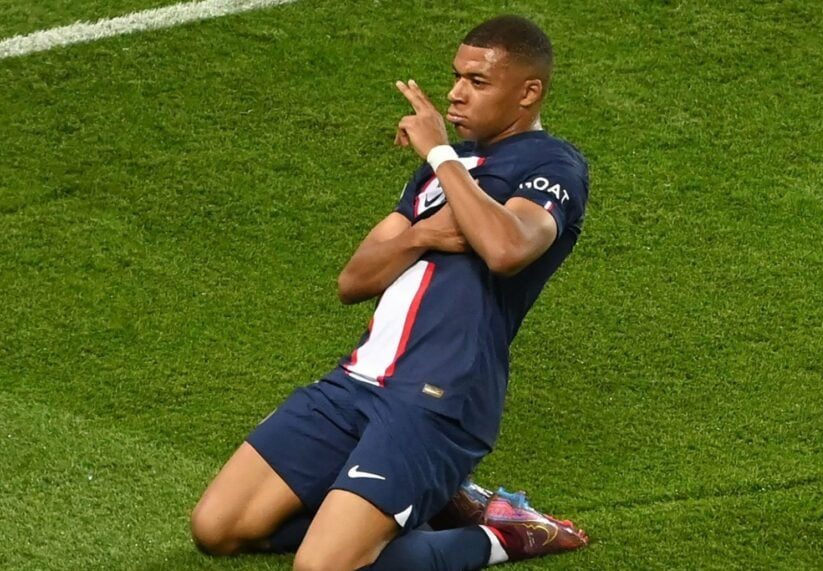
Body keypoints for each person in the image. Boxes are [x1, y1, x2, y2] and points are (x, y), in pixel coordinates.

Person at [191, 14, 590, 571]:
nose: (455, 93)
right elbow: (353, 281)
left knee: (321, 567)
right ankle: (424, 506)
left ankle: (506, 535)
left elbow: (506, 248)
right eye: (456, 76)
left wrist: (440, 154)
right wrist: (424, 234)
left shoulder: (553, 164)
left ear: (528, 93)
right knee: (216, 528)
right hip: (355, 382)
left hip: (436, 397)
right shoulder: (437, 176)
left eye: (477, 81)